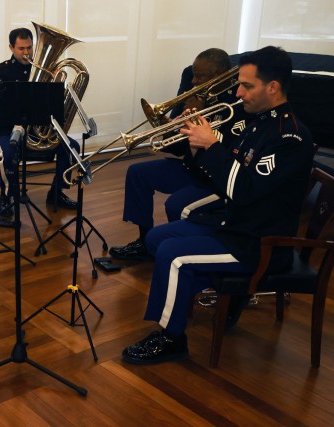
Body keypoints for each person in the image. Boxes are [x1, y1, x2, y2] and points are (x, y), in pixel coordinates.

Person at [122, 46, 314, 365]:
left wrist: (211, 144)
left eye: (247, 86)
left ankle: (172, 338)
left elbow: (243, 188)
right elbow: (231, 165)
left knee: (173, 255)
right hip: (235, 223)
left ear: (273, 87)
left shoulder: (289, 138)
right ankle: (208, 296)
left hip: (258, 241)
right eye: (239, 83)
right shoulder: (259, 122)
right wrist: (198, 138)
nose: (238, 92)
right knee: (156, 239)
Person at [110, 48, 250, 261]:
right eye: (193, 74)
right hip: (191, 168)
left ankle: (179, 248)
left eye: (200, 76)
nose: (193, 81)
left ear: (220, 74)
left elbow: (227, 150)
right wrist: (167, 127)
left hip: (213, 180)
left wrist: (199, 120)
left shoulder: (239, 105)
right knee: (138, 173)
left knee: (176, 202)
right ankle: (145, 241)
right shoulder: (200, 97)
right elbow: (177, 149)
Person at [0, 27, 80, 223]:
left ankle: (56, 193)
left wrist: (56, 87)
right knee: (8, 155)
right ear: (11, 47)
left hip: (35, 132)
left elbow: (52, 108)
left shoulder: (43, 71)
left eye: (29, 48)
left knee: (72, 147)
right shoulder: (0, 71)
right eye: (21, 48)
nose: (26, 53)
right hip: (8, 129)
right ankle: (6, 198)